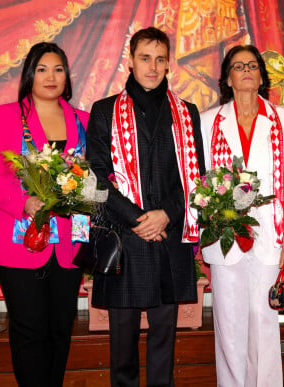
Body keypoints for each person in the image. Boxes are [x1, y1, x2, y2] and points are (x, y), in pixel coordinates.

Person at [85, 26, 205, 386]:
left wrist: (166, 213)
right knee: (122, 346)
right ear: (130, 61)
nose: (152, 67)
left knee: (163, 342)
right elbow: (96, 177)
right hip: (125, 238)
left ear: (168, 64)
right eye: (145, 58)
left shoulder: (186, 112)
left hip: (169, 236)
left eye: (160, 59)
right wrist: (138, 219)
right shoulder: (105, 111)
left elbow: (197, 175)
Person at [0, 42, 90, 386]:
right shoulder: (5, 116)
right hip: (20, 242)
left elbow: (100, 176)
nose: (51, 77)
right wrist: (24, 202)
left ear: (67, 76)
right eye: (42, 69)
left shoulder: (84, 121)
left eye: (58, 69)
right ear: (29, 75)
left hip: (70, 244)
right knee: (29, 329)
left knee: (60, 327)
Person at [200, 45, 284, 387]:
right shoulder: (208, 121)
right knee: (228, 322)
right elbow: (198, 182)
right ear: (227, 77)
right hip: (223, 234)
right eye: (238, 66)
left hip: (271, 236)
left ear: (261, 75)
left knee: (263, 319)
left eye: (253, 66)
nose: (246, 71)